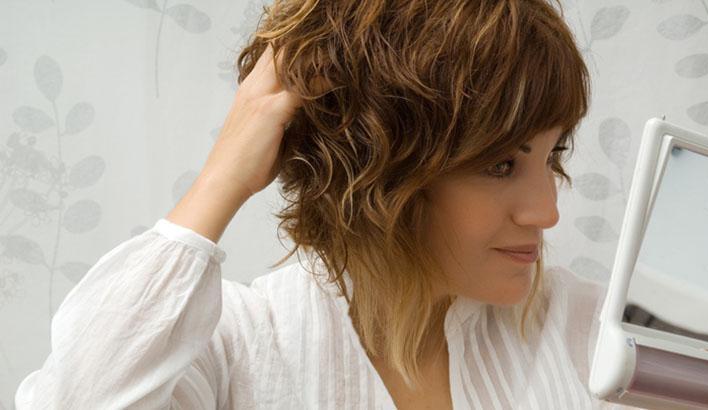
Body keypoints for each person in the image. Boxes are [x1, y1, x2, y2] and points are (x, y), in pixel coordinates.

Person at [15, 0, 641, 408]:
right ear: (379, 169)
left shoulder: (587, 333)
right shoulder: (236, 347)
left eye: (553, 156)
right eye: (500, 164)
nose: (545, 212)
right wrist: (222, 179)